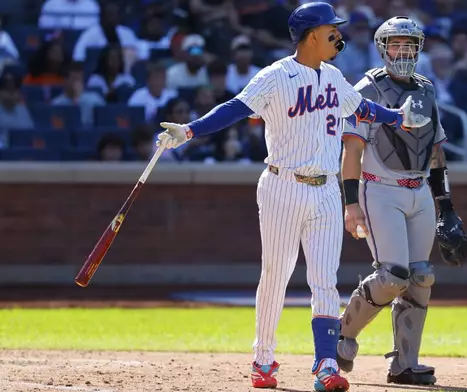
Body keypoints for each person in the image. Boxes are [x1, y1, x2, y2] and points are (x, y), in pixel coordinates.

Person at [154, 3, 430, 391]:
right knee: (276, 276)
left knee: (324, 280)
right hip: (283, 185)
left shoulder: (334, 76)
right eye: (331, 29)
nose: (338, 35)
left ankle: (326, 364)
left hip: (326, 190)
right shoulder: (276, 75)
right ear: (312, 35)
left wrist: (396, 117)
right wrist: (190, 131)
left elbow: (362, 108)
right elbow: (235, 108)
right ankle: (263, 359)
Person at [336, 16, 467, 387]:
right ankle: (343, 334)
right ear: (382, 48)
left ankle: (405, 364)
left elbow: (436, 152)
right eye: (396, 44)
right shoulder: (366, 87)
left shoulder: (426, 89)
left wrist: (447, 207)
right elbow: (352, 150)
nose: (403, 51)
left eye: (410, 44)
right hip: (380, 186)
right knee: (393, 275)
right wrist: (351, 205)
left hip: (419, 189)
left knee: (421, 276)